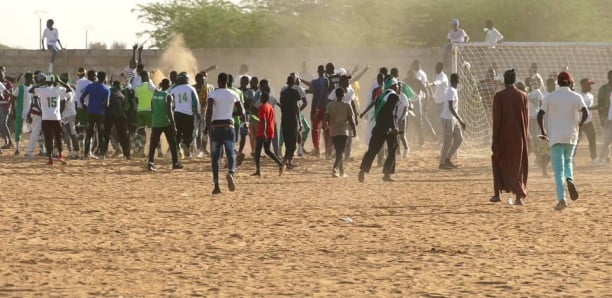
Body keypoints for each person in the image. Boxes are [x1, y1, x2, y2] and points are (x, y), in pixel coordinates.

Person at [537, 71, 588, 211]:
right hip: (571, 136)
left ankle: (562, 199)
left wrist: (543, 131)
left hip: (555, 137)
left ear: (557, 82)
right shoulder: (576, 97)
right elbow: (586, 112)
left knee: (558, 170)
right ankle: (570, 178)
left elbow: (540, 114)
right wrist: (580, 124)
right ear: (571, 82)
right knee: (568, 161)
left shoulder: (550, 97)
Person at [490, 70, 529, 205]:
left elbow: (497, 120)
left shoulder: (499, 96)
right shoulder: (523, 95)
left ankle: (498, 193)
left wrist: (495, 139)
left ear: (504, 80)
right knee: (518, 165)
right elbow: (526, 119)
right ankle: (519, 196)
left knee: (497, 160)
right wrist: (525, 136)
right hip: (519, 136)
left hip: (503, 136)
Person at [205, 72, 246, 195]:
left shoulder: (212, 94)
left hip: (216, 127)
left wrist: (207, 126)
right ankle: (231, 172)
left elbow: (209, 110)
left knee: (215, 157)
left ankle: (217, 186)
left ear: (218, 81)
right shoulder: (233, 94)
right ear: (227, 82)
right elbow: (242, 112)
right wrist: (232, 115)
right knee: (230, 153)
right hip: (229, 126)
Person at [358, 77, 401, 183]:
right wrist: (393, 128)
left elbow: (378, 110)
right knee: (392, 149)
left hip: (379, 126)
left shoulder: (382, 95)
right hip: (389, 127)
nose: (398, 87)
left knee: (372, 149)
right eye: (397, 85)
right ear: (394, 86)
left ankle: (362, 171)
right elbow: (390, 113)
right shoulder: (394, 96)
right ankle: (387, 174)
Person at [33, 74, 72, 165]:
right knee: (58, 138)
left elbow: (32, 90)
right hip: (56, 118)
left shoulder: (42, 90)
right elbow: (69, 89)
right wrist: (60, 81)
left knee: (48, 139)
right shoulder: (58, 89)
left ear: (46, 82)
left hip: (46, 118)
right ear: (54, 82)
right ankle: (60, 156)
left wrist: (41, 83)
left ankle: (50, 159)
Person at [147, 79, 182, 171]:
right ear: (168, 85)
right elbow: (169, 111)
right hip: (166, 122)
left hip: (156, 122)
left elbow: (152, 109)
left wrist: (156, 117)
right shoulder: (168, 96)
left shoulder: (154, 95)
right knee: (172, 143)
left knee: (153, 144)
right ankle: (175, 163)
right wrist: (173, 125)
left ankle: (150, 163)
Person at [325, 87, 357, 177]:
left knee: (338, 150)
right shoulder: (347, 105)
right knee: (341, 151)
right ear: (343, 95)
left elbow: (326, 117)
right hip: (343, 131)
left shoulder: (330, 105)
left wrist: (325, 125)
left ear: (335, 95)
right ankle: (334, 169)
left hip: (333, 131)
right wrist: (354, 130)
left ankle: (342, 171)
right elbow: (351, 120)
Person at [252, 92, 284, 177]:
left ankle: (258, 171)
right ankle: (280, 163)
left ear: (262, 98)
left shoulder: (262, 107)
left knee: (257, 152)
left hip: (263, 131)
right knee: (267, 150)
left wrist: (264, 132)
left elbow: (264, 120)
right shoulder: (270, 106)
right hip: (270, 130)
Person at [439, 73, 466, 170]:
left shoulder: (454, 90)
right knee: (447, 142)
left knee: (459, 139)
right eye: (459, 79)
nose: (460, 81)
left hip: (452, 119)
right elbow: (450, 107)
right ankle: (442, 164)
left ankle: (447, 159)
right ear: (456, 80)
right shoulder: (451, 91)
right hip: (447, 118)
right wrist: (461, 120)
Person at [81, 71, 110, 159]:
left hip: (90, 113)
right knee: (101, 134)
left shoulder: (90, 86)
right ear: (105, 78)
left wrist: (84, 107)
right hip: (100, 114)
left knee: (89, 133)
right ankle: (102, 154)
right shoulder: (106, 89)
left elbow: (82, 98)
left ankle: (86, 154)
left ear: (97, 77)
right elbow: (107, 104)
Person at [170, 72, 200, 158]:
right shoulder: (191, 88)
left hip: (176, 114)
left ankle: (178, 150)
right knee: (188, 133)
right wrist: (197, 113)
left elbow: (169, 101)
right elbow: (196, 102)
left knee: (177, 133)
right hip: (188, 114)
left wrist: (171, 111)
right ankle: (186, 145)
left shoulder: (174, 89)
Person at [328, 74, 358, 160]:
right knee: (338, 136)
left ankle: (347, 155)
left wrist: (355, 116)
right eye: (346, 80)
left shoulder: (351, 91)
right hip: (337, 118)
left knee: (349, 136)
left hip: (348, 116)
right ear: (341, 82)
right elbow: (329, 102)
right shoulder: (335, 91)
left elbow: (352, 103)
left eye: (348, 80)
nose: (348, 82)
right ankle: (335, 153)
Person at [104, 81, 131, 160]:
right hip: (120, 115)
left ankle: (103, 153)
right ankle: (127, 154)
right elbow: (125, 107)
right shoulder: (121, 94)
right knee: (123, 135)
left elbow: (105, 103)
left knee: (106, 133)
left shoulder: (109, 91)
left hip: (109, 114)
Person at [279, 76, 301, 169]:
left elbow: (282, 106)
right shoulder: (295, 92)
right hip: (292, 118)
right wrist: (299, 120)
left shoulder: (283, 93)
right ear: (293, 83)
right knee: (293, 139)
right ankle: (289, 160)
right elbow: (297, 107)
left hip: (285, 118)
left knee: (287, 139)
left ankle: (287, 159)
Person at [10, 72, 34, 155]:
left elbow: (33, 102)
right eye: (32, 78)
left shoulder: (33, 89)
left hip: (31, 114)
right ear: (27, 79)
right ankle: (17, 148)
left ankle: (37, 149)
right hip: (20, 113)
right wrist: (13, 111)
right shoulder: (19, 88)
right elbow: (12, 100)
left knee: (34, 131)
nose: (33, 79)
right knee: (18, 131)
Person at [310, 65, 331, 158]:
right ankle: (326, 151)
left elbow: (316, 94)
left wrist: (315, 108)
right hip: (323, 107)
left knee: (315, 129)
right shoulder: (326, 80)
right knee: (325, 129)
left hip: (317, 107)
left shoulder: (314, 82)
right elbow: (323, 93)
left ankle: (318, 150)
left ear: (318, 71)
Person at [575, 78, 598, 165]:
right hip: (579, 122)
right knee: (576, 141)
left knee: (592, 139)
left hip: (589, 121)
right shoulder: (578, 95)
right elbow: (577, 109)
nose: (590, 86)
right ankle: (571, 159)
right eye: (588, 85)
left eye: (590, 85)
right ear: (583, 85)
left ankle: (594, 159)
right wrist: (592, 108)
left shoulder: (591, 96)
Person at [59, 72, 79, 158]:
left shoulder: (67, 90)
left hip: (68, 114)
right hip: (69, 113)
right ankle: (71, 151)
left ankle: (77, 152)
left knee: (72, 133)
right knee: (66, 133)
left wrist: (59, 113)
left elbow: (63, 103)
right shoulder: (72, 88)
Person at [430, 62, 449, 142]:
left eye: (437, 67)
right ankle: (442, 139)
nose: (435, 69)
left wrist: (431, 84)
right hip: (438, 103)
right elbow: (438, 90)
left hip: (443, 103)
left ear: (441, 68)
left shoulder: (443, 76)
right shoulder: (437, 76)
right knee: (439, 123)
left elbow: (438, 83)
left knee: (443, 122)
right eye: (435, 67)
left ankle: (444, 140)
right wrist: (432, 97)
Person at [0, 70, 14, 150]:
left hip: (6, 105)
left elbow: (11, 94)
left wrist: (5, 92)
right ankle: (7, 142)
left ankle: (10, 142)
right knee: (2, 125)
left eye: (1, 75)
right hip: (0, 105)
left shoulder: (7, 83)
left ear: (4, 75)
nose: (0, 76)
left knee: (3, 124)